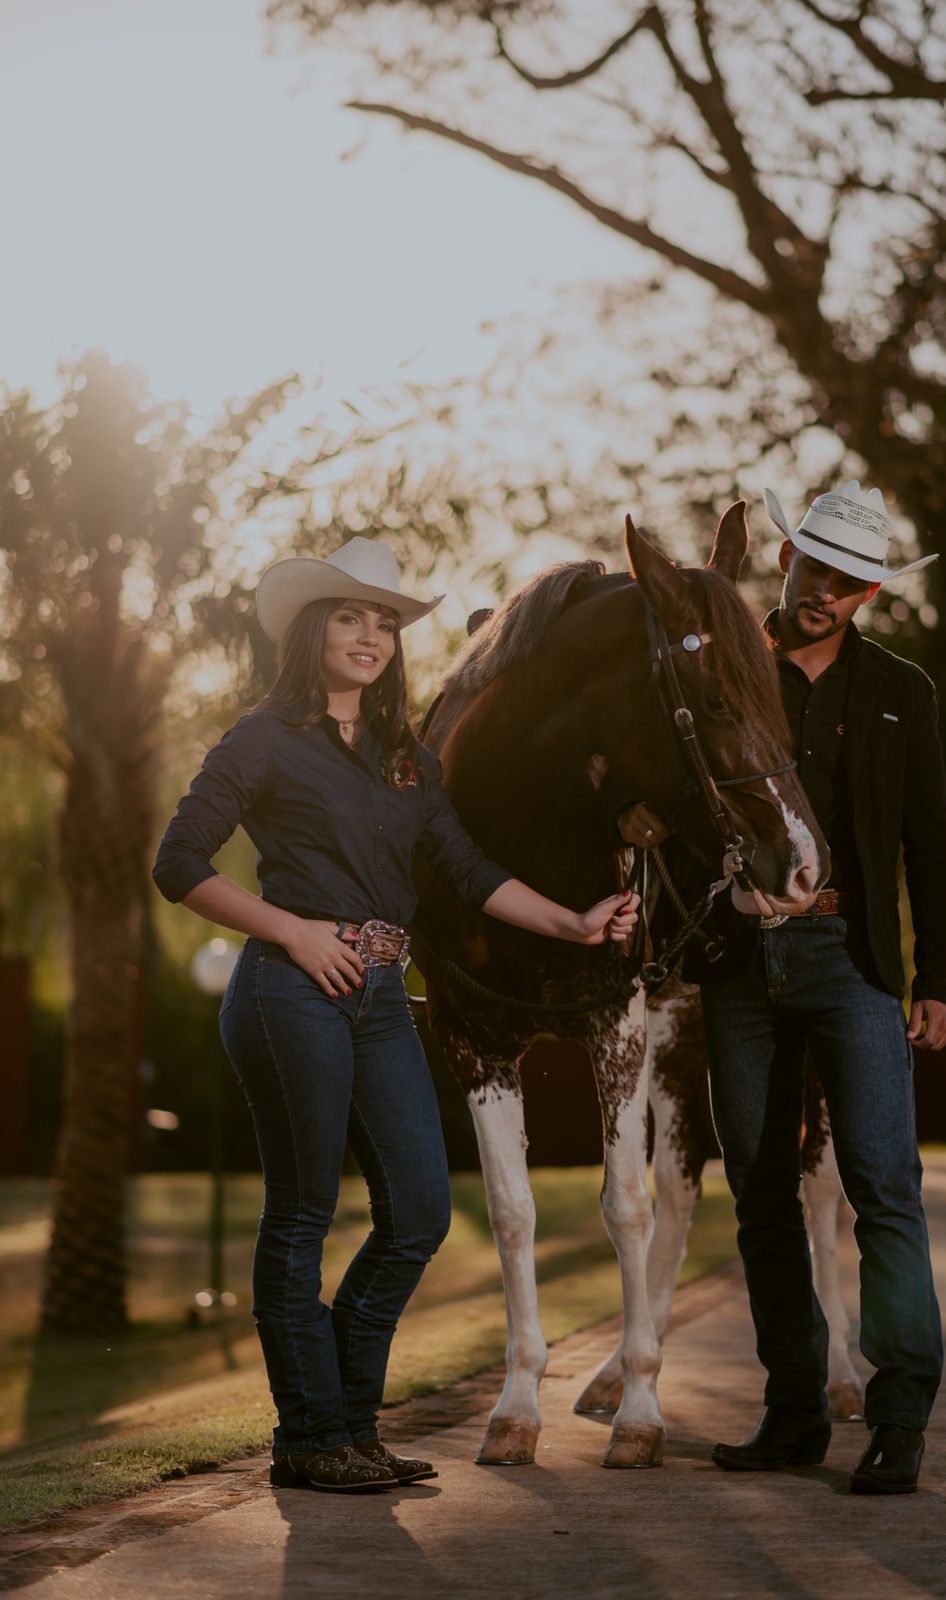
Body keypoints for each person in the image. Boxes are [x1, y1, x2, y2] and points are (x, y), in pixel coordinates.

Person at [152, 535, 639, 1495]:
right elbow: (180, 864)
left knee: (417, 1212)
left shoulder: (408, 760)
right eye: (349, 616)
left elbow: (466, 868)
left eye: (384, 622)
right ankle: (313, 1434)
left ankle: (344, 1422)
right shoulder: (261, 739)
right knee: (301, 1217)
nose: (370, 636)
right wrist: (293, 932)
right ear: (309, 629)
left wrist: (574, 920)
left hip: (379, 993)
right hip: (291, 990)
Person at [617, 481, 946, 1495]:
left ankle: (898, 1416)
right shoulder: (720, 664)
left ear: (869, 595)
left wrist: (937, 980)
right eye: (818, 570)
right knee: (760, 1199)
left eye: (852, 583)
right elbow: (662, 783)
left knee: (885, 1189)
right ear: (785, 563)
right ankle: (794, 1412)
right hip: (739, 963)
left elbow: (931, 846)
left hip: (849, 954)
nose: (829, 593)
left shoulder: (905, 690)